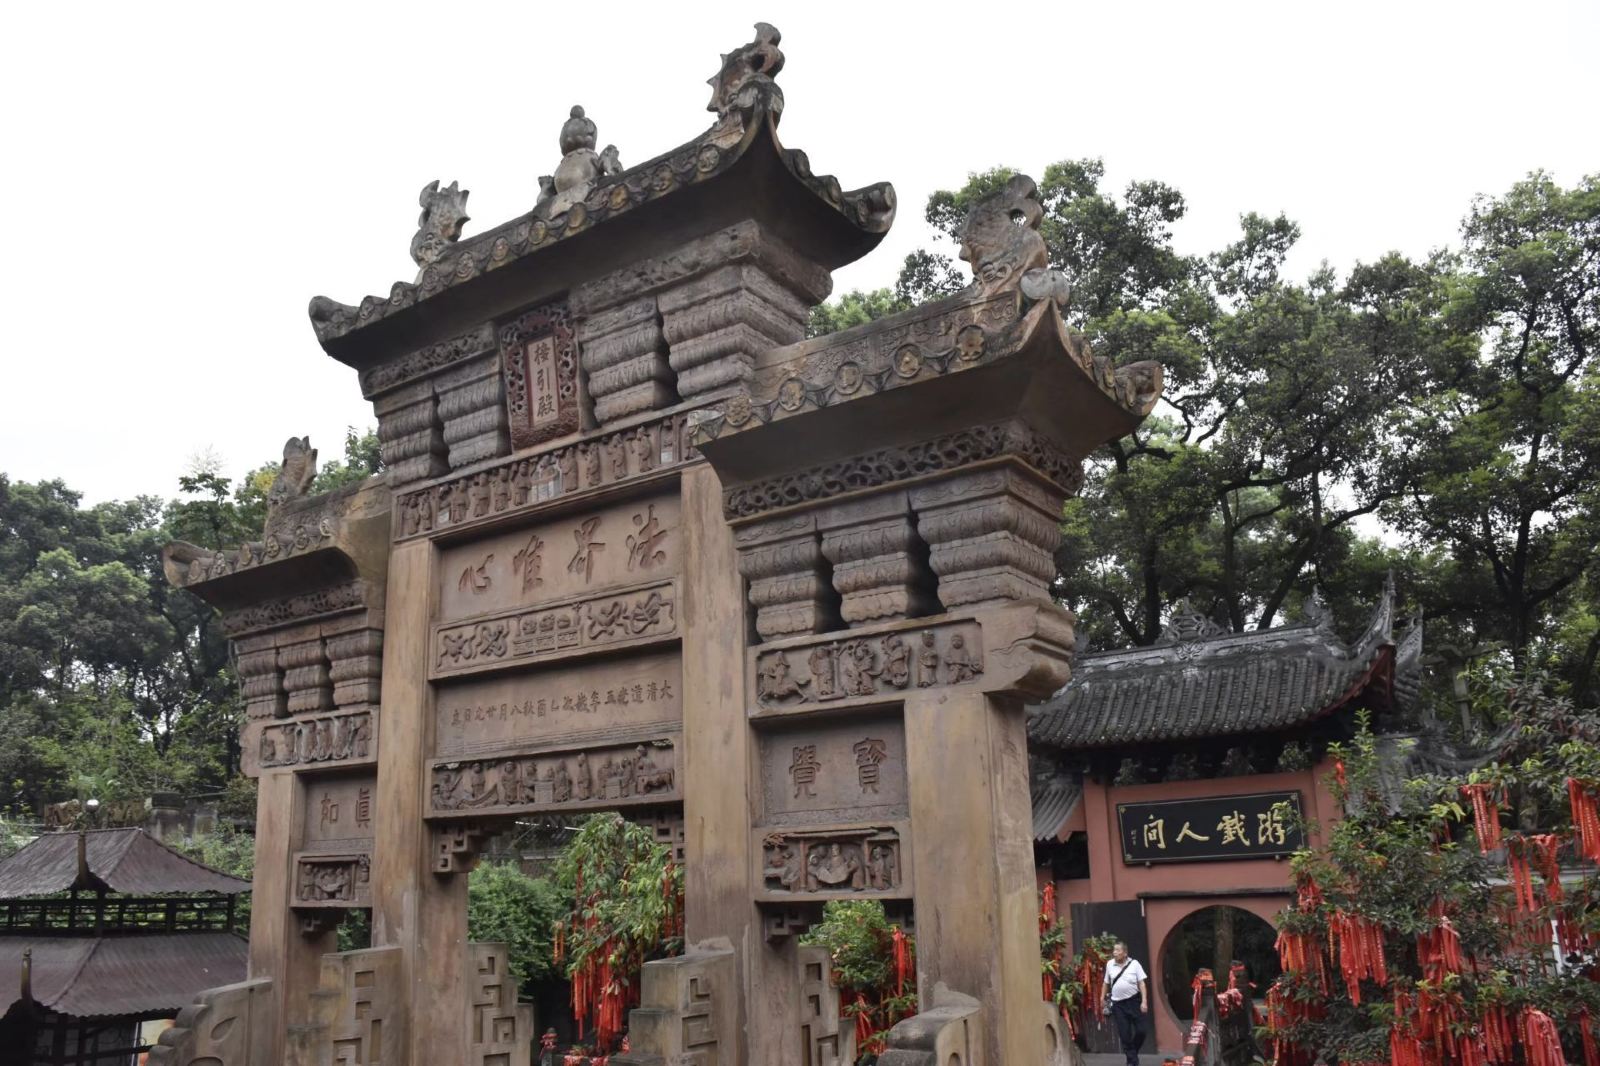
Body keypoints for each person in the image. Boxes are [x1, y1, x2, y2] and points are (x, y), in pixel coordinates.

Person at [1101, 940, 1149, 1066]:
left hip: (1134, 1001)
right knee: (1125, 1035)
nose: (1115, 953)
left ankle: (1132, 1053)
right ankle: (1132, 1062)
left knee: (1142, 1031)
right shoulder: (1110, 964)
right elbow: (1106, 983)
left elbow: (1142, 984)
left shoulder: (1135, 964)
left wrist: (1144, 1001)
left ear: (1125, 953)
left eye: (1118, 950)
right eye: (1114, 950)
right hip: (1118, 1005)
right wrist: (1102, 998)